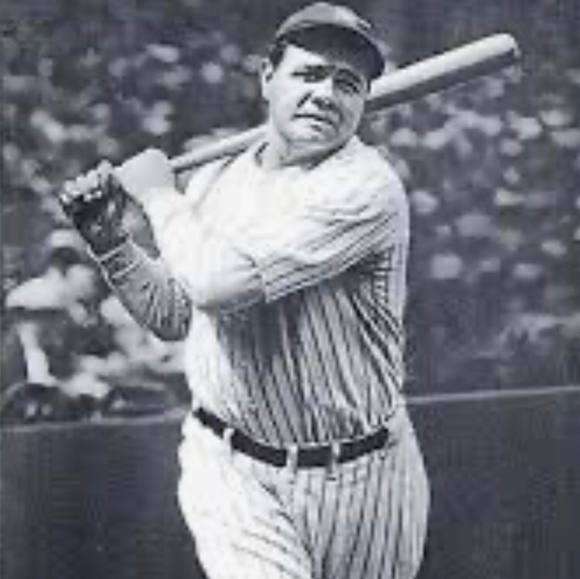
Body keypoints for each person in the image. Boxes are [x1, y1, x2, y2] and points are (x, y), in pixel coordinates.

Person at [59, 3, 430, 578]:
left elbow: (216, 284)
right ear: (267, 78)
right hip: (230, 466)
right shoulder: (216, 178)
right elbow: (176, 314)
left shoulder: (366, 188)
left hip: (362, 475)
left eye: (347, 83)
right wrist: (112, 245)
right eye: (309, 74)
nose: (325, 95)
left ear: (363, 101)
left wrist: (159, 195)